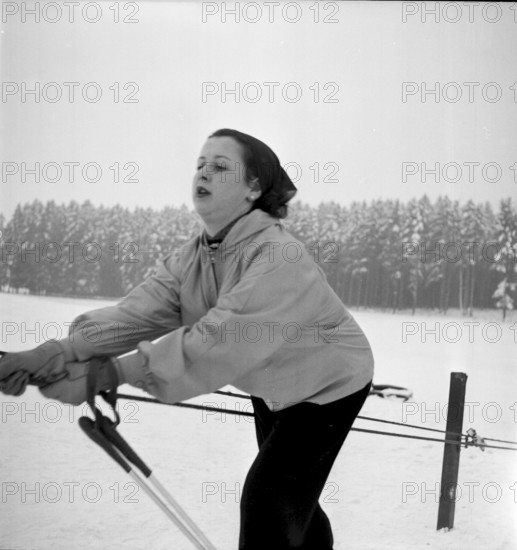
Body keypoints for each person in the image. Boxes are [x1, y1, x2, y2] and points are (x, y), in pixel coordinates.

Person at [0, 128, 374, 549]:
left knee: (268, 501)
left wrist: (107, 374)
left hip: (330, 384)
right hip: (270, 383)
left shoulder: (278, 258)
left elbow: (216, 341)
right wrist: (55, 353)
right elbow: (137, 313)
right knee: (293, 500)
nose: (203, 173)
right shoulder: (195, 255)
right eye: (200, 164)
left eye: (219, 166)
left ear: (254, 188)